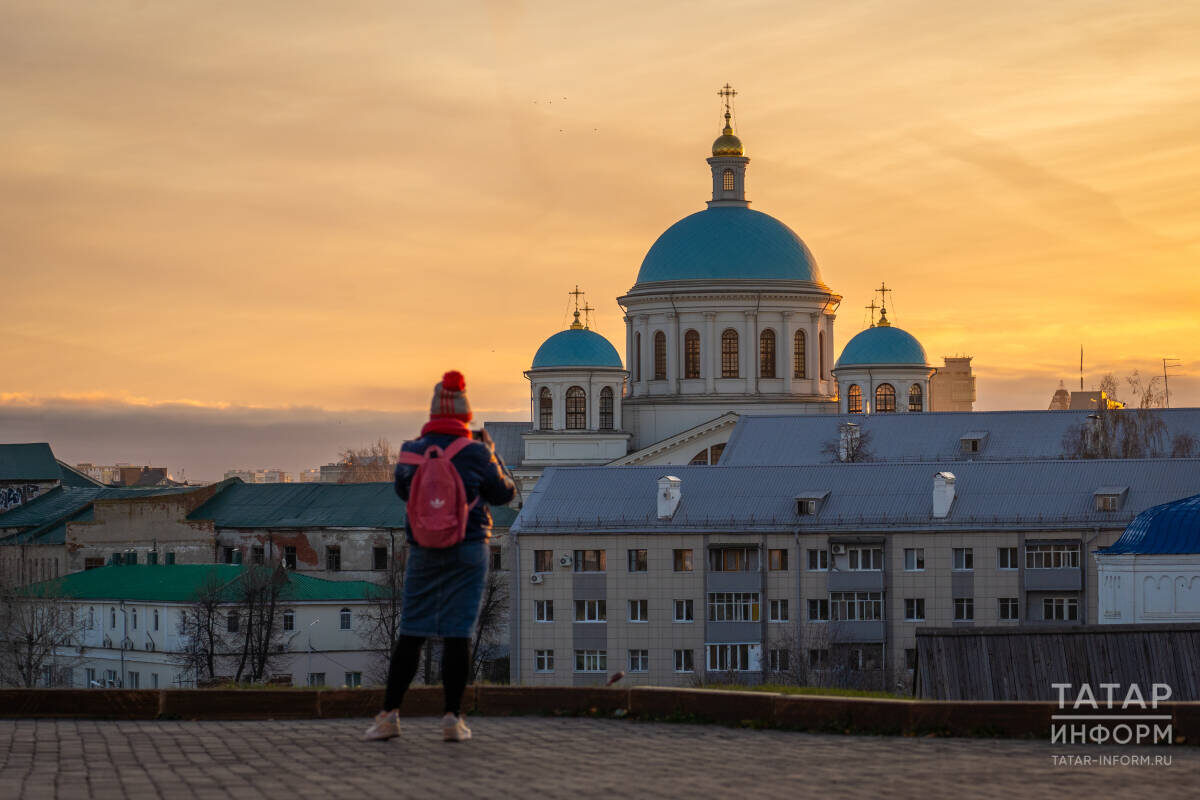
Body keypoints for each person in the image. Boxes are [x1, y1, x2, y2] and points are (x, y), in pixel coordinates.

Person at [364, 370, 515, 743]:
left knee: (412, 631)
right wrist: (491, 455)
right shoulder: (476, 452)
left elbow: (403, 491)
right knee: (457, 633)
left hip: (424, 547)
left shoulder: (411, 451)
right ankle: (452, 719)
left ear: (433, 412)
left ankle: (389, 716)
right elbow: (503, 495)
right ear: (465, 413)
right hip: (468, 547)